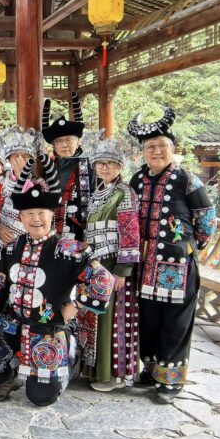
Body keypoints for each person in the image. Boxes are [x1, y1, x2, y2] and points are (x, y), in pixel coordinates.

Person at [0, 185, 114, 407]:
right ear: (21, 217)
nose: (36, 218)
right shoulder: (11, 249)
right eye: (29, 213)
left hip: (49, 329)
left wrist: (76, 305)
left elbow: (103, 279)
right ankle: (9, 376)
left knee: (42, 397)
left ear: (52, 215)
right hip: (14, 324)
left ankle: (69, 357)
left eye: (42, 212)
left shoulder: (70, 250)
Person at [127, 108, 216, 403]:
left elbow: (207, 220)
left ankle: (171, 381)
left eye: (161, 146)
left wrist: (190, 247)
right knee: (148, 319)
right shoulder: (137, 180)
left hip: (177, 266)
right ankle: (151, 370)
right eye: (149, 147)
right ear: (142, 151)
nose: (155, 151)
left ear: (172, 149)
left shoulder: (187, 181)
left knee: (176, 323)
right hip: (144, 264)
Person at [76, 133, 141, 392]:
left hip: (113, 262)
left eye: (110, 163)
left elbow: (130, 233)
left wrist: (123, 270)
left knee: (113, 319)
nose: (104, 167)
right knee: (93, 314)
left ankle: (111, 374)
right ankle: (93, 369)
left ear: (120, 167)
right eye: (100, 163)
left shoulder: (124, 193)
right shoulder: (97, 193)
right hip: (94, 262)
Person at [41, 93, 92, 241]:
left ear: (78, 142)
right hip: (49, 225)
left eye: (69, 140)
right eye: (59, 141)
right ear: (54, 145)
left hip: (79, 227)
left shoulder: (91, 165)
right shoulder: (48, 165)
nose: (64, 145)